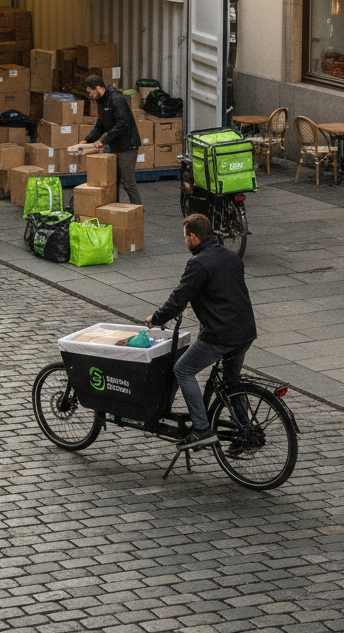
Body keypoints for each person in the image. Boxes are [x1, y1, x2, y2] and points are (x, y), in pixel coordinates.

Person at [146, 213, 258, 448]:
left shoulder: (199, 263)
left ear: (194, 237)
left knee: (183, 370)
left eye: (185, 236)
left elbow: (179, 297)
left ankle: (201, 428)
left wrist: (156, 318)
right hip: (245, 330)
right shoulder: (230, 256)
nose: (185, 241)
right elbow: (223, 290)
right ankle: (244, 431)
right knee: (232, 381)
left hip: (220, 333)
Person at [70, 76, 143, 205]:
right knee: (112, 181)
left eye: (90, 92)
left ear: (98, 88)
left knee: (128, 183)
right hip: (116, 145)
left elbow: (123, 123)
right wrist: (86, 141)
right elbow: (100, 124)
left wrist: (104, 139)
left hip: (127, 146)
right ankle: (114, 210)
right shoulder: (102, 101)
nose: (89, 95)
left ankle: (137, 212)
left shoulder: (116, 99)